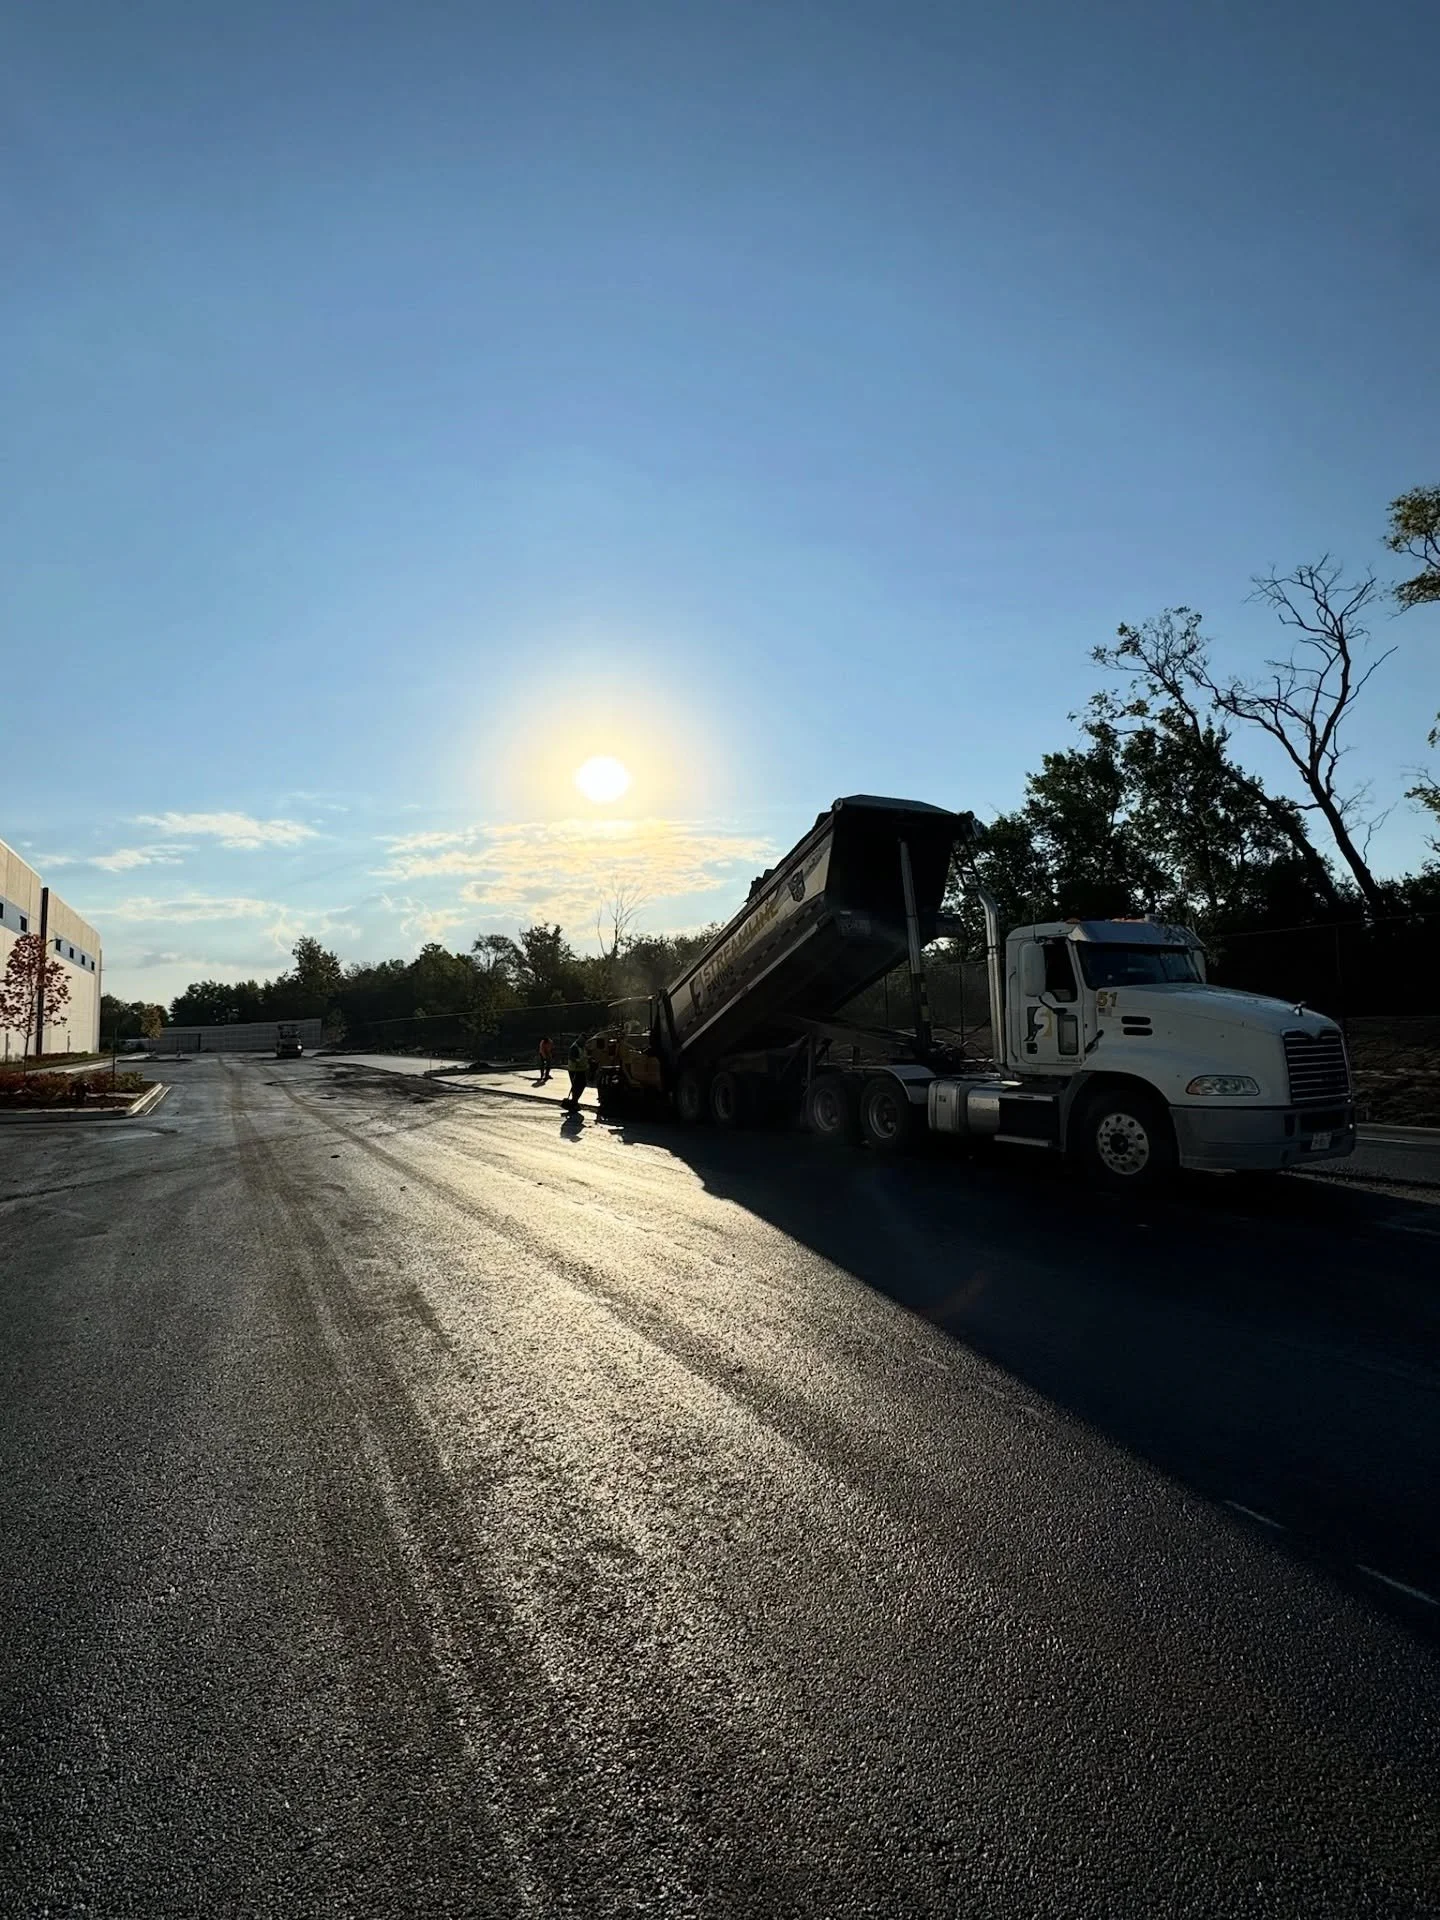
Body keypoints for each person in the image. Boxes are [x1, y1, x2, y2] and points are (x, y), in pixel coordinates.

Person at [563, 1036, 588, 1111]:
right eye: (583, 1041)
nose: (584, 1042)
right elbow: (571, 1057)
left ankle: (574, 1101)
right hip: (575, 1070)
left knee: (581, 1085)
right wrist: (578, 1061)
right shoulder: (574, 1047)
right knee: (576, 1086)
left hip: (581, 1069)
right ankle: (574, 1102)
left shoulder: (582, 1047)